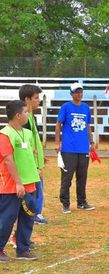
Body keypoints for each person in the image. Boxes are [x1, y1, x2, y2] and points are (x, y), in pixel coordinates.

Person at [0, 100, 40, 261]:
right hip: (12, 185)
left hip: (30, 182)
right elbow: (8, 160)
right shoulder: (5, 134)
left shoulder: (28, 133)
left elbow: (29, 154)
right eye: (26, 112)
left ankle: (23, 249)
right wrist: (18, 183)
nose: (28, 115)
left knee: (28, 217)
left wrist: (37, 170)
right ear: (18, 115)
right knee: (7, 218)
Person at [55, 82, 96, 214]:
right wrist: (57, 142)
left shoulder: (86, 108)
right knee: (67, 177)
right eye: (76, 92)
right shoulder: (66, 107)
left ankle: (82, 202)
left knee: (82, 177)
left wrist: (91, 141)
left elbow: (88, 126)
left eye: (81, 92)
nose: (79, 94)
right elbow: (58, 125)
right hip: (68, 149)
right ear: (71, 94)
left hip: (83, 148)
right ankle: (65, 203)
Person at [19, 84, 48, 224]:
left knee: (38, 191)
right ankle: (34, 214)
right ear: (27, 100)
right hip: (31, 167)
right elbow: (25, 146)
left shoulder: (31, 117)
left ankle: (35, 214)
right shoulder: (24, 121)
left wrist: (41, 158)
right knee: (34, 193)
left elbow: (34, 142)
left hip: (36, 163)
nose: (39, 101)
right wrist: (35, 166)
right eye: (36, 98)